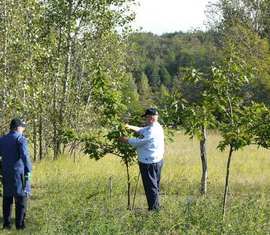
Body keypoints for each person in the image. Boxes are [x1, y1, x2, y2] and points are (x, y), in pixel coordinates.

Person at [119, 108, 164, 211]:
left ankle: (154, 211)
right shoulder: (156, 126)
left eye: (147, 117)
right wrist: (129, 127)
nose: (145, 120)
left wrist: (124, 139)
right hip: (156, 161)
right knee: (154, 185)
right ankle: (155, 207)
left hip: (149, 163)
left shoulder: (152, 131)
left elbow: (138, 142)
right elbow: (142, 129)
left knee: (150, 187)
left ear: (151, 118)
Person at [0, 118, 32, 230]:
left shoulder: (2, 139)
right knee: (21, 197)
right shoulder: (21, 139)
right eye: (23, 127)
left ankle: (6, 224)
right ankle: (20, 225)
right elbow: (25, 157)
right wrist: (29, 172)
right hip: (20, 174)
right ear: (18, 127)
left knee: (7, 198)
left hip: (6, 173)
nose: (23, 129)